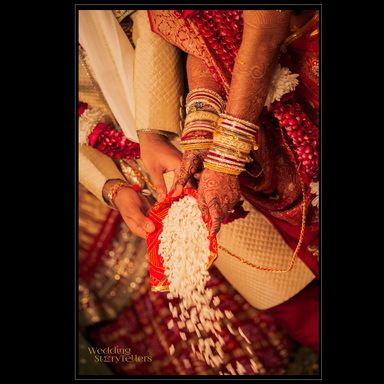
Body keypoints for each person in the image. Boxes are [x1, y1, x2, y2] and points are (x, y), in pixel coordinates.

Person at [78, 10, 298, 376]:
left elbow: (157, 21)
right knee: (271, 288)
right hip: (133, 166)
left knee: (288, 249)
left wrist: (152, 131)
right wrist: (111, 188)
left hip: (196, 110)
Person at [148, 9, 320, 352]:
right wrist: (199, 127)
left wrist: (226, 158)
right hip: (258, 121)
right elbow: (200, 42)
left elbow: (262, 35)